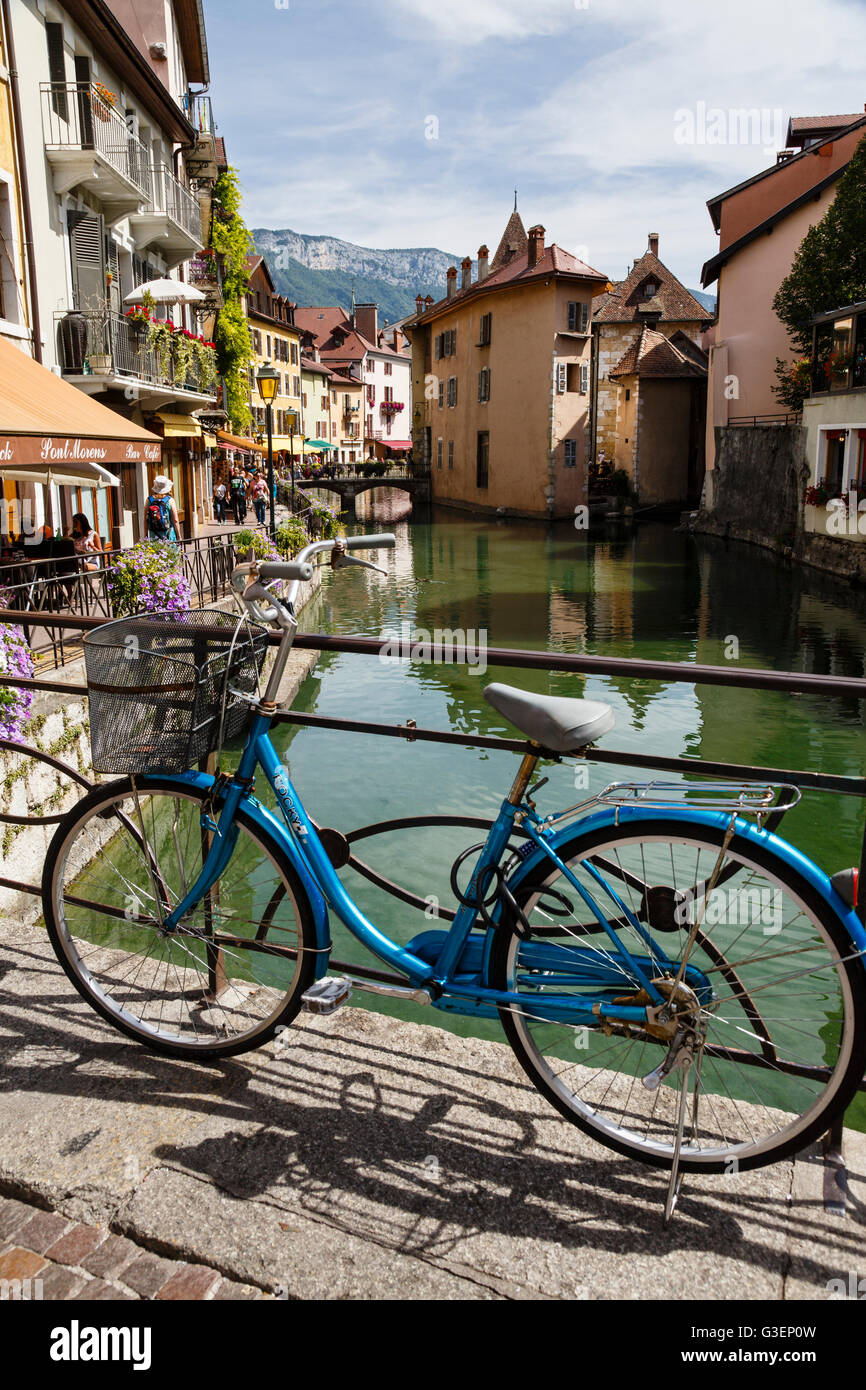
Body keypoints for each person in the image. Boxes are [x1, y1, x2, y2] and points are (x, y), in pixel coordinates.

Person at [144, 475, 179, 542]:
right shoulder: (170, 500)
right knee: (170, 552)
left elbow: (145, 520)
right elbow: (175, 520)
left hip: (154, 535)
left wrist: (146, 536)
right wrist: (179, 536)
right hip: (168, 535)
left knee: (156, 551)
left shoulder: (149, 500)